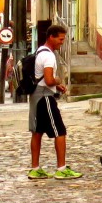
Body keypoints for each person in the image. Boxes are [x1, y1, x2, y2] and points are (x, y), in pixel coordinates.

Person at [28, 24, 81, 180]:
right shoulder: (49, 56)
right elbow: (49, 79)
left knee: (37, 132)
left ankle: (35, 168)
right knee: (60, 131)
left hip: (36, 96)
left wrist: (56, 85)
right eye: (60, 39)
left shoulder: (39, 51)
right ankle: (61, 168)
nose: (62, 42)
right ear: (51, 37)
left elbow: (41, 77)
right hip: (45, 97)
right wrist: (57, 80)